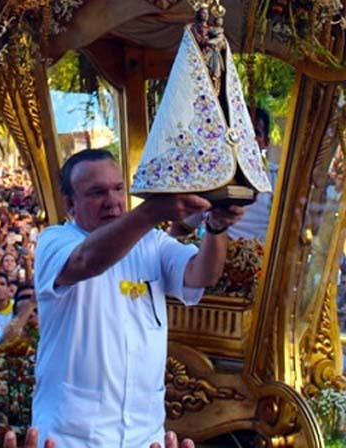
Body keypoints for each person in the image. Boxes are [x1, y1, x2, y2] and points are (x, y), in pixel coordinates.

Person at [32, 149, 246, 448]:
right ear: (70, 204)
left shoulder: (152, 243)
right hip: (72, 435)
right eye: (97, 192)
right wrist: (151, 212)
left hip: (144, 435)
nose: (112, 201)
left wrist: (216, 226)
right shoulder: (54, 241)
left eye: (118, 188)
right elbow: (86, 261)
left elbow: (201, 274)